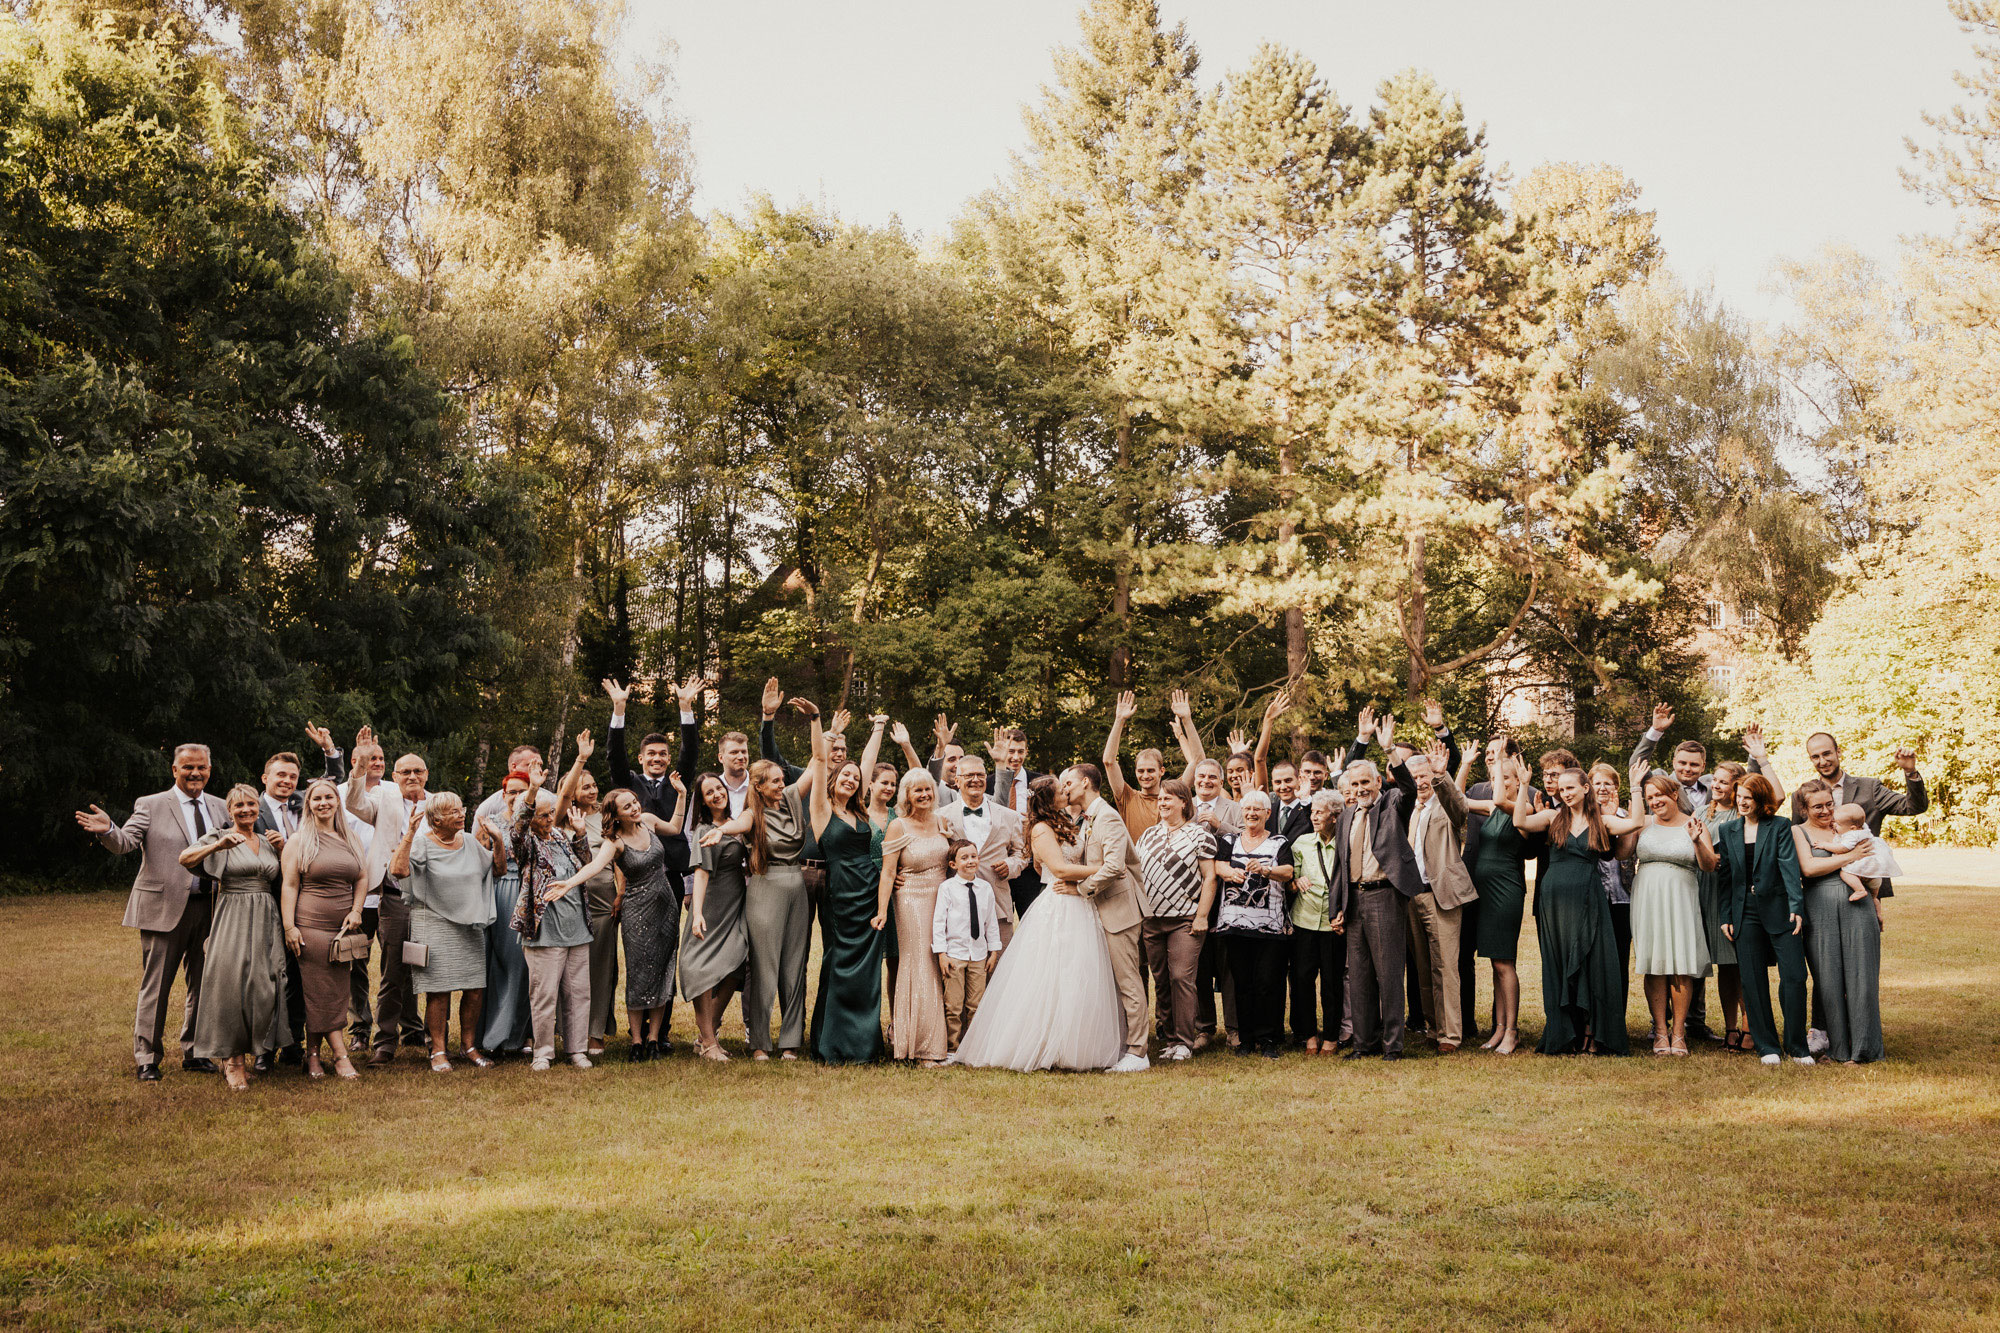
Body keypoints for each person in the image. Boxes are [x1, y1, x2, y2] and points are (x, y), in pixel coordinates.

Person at [77, 743, 229, 1081]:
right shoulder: (151, 804)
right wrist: (109, 830)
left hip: (211, 908)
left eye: (201, 767)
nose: (195, 773)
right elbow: (126, 842)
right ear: (174, 770)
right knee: (156, 986)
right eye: (188, 767)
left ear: (209, 770)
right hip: (164, 909)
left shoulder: (221, 807)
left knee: (203, 985)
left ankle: (196, 1051)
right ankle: (147, 1057)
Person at [951, 775, 1123, 1071]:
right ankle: (1042, 1044)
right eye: (1061, 790)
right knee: (1051, 974)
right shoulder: (1042, 829)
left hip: (1079, 903)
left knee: (1077, 973)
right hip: (1059, 905)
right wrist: (1106, 868)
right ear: (1049, 798)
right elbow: (1058, 867)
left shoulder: (1066, 823)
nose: (1066, 791)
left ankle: (1072, 1044)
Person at [1511, 758, 1641, 1056]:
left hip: (1588, 896)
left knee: (1594, 963)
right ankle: (1566, 1033)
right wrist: (1521, 787)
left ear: (1585, 788)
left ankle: (1594, 1032)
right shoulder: (1551, 817)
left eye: (1571, 787)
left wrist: (1635, 788)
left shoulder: (1601, 821)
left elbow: (1634, 823)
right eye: (1562, 788)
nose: (1565, 792)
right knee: (1559, 961)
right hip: (1553, 899)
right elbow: (1520, 822)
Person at [1330, 714, 1424, 1061]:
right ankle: (1363, 1044)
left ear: (1378, 782)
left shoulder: (1392, 805)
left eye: (1366, 783)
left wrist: (1388, 749)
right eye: (1354, 785)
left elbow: (1410, 788)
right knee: (1359, 977)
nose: (1360, 790)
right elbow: (1339, 868)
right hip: (1354, 900)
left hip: (1384, 897)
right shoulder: (1345, 817)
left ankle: (1393, 1045)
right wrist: (1336, 908)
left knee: (1388, 975)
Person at [388, 791, 504, 1072]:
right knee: (438, 991)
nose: (460, 813)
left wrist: (498, 840)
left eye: (460, 808)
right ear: (436, 820)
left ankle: (469, 1046)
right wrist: (410, 835)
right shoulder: (422, 844)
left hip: (469, 924)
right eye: (453, 811)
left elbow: (498, 869)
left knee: (475, 989)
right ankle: (438, 1051)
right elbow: (398, 871)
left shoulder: (468, 841)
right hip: (435, 923)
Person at [179, 784, 285, 1091]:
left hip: (266, 915)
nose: (246, 810)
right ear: (230, 811)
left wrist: (282, 848)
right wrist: (217, 847)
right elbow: (185, 858)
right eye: (239, 806)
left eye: (251, 804)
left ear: (258, 807)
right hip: (233, 915)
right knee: (232, 986)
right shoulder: (220, 835)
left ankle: (254, 1053)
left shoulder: (266, 841)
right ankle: (233, 1062)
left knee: (263, 985)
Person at [342, 731, 434, 1065]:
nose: (412, 776)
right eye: (404, 772)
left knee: (434, 969)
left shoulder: (438, 803)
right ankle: (385, 1042)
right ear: (394, 777)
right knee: (393, 970)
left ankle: (434, 1039)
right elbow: (353, 802)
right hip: (395, 898)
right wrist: (363, 759)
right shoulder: (383, 800)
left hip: (434, 901)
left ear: (426, 775)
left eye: (418, 771)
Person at [728, 734, 821, 1060]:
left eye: (783, 780)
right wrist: (720, 831)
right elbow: (738, 824)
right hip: (765, 890)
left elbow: (817, 762)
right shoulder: (753, 814)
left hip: (796, 888)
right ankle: (760, 1044)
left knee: (795, 966)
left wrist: (820, 725)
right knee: (764, 966)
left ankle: (791, 1042)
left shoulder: (794, 799)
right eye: (776, 782)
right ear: (759, 786)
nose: (783, 785)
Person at [807, 702, 888, 1063]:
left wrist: (878, 728)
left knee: (869, 970)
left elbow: (866, 765)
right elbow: (822, 760)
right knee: (838, 962)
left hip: (871, 892)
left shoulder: (861, 811)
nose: (852, 779)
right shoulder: (822, 811)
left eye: (855, 777)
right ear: (834, 781)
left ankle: (864, 1045)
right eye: (846, 776)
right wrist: (818, 722)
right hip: (840, 892)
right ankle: (832, 1043)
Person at [1716, 773, 1812, 1066]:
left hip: (1781, 909)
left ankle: (1797, 1046)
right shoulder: (1728, 829)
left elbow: (1788, 866)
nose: (1742, 802)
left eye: (1749, 797)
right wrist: (1725, 915)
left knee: (1795, 976)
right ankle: (1767, 1046)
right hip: (1744, 912)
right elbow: (1727, 877)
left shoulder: (1780, 826)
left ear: (1761, 800)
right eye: (1739, 796)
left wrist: (1796, 905)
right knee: (1753, 981)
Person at [280, 778, 370, 1079]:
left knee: (336, 991)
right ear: (309, 804)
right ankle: (341, 1055)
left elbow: (361, 877)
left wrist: (357, 910)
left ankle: (314, 1055)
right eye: (316, 798)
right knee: (319, 991)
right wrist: (290, 927)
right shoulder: (298, 840)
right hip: (311, 926)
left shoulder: (350, 838)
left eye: (329, 798)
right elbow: (290, 886)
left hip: (343, 929)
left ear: (337, 802)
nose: (323, 803)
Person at [508, 770, 597, 1072]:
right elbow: (518, 826)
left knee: (578, 993)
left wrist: (581, 833)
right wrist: (533, 790)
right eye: (542, 815)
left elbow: (585, 865)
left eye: (550, 814)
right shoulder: (526, 844)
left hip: (576, 927)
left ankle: (577, 1050)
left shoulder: (559, 836)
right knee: (544, 995)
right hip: (544, 930)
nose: (548, 820)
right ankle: (543, 1052)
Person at [1067, 763, 1153, 1072]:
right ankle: (1120, 1043)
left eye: (1069, 783)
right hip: (1101, 909)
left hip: (1120, 910)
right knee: (1112, 982)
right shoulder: (1089, 818)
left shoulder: (1109, 817)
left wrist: (1081, 889)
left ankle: (1139, 1051)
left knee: (1129, 981)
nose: (1065, 789)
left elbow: (1116, 866)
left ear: (1087, 783)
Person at [1792, 781, 1885, 1064]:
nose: (1826, 811)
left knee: (1862, 978)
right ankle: (1837, 1049)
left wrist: (1877, 900)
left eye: (1829, 804)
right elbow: (1808, 868)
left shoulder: (1849, 827)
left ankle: (1864, 1049)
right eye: (1817, 806)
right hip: (1819, 907)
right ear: (1804, 808)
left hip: (1858, 906)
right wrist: (1851, 856)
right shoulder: (1798, 831)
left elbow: (1874, 864)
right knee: (1828, 980)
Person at [1629, 773, 1717, 1056]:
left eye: (1659, 796)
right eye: (1650, 797)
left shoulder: (1695, 825)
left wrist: (1697, 841)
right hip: (1648, 897)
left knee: (1680, 964)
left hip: (1682, 896)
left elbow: (1708, 865)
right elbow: (1620, 854)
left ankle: (1679, 1033)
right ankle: (1660, 1031)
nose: (1655, 802)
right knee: (1654, 962)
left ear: (1674, 795)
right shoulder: (1642, 823)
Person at [1461, 739, 1537, 1055]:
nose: (1500, 783)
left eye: (1508, 778)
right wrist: (1464, 764)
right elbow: (1457, 799)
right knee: (1495, 962)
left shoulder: (1524, 808)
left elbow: (1505, 803)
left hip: (1506, 891)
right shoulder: (1491, 806)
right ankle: (1500, 1028)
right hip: (1484, 892)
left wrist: (1514, 781)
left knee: (1505, 962)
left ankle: (1513, 1031)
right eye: (1496, 778)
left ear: (1519, 782)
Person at [1135, 779, 1217, 1062]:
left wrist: (1202, 916)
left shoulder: (1200, 835)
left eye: (1169, 798)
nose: (1162, 802)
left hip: (1185, 919)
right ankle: (1169, 1038)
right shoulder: (1147, 835)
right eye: (1160, 798)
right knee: (1161, 980)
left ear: (1184, 802)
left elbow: (1210, 877)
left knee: (1181, 977)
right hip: (1151, 919)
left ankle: (1184, 1040)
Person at [875, 768, 953, 1065]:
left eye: (928, 789)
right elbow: (888, 871)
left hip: (943, 901)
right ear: (906, 795)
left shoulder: (943, 823)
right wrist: (882, 911)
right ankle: (921, 1047)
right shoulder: (899, 827)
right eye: (917, 790)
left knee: (940, 963)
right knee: (921, 966)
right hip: (910, 901)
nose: (924, 795)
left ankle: (945, 1039)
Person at [1404, 738, 1475, 1054]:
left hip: (1441, 894)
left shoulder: (1445, 807)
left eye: (1424, 776)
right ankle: (1433, 1028)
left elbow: (1461, 809)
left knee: (1445, 967)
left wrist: (1441, 775)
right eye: (1415, 777)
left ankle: (1451, 1035)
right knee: (1422, 967)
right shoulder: (1408, 809)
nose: (1420, 782)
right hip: (1412, 897)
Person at [1212, 790, 1294, 1058]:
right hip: (1234, 926)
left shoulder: (1279, 843)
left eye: (1257, 810)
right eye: (1247, 809)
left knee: (1267, 982)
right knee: (1242, 983)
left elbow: (1288, 872)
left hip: (1270, 927)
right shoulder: (1229, 839)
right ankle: (1246, 1040)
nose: (1251, 814)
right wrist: (1230, 872)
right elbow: (1218, 866)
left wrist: (1266, 870)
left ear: (1268, 814)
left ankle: (1269, 1039)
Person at [683, 773, 751, 1061]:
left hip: (735, 905)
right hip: (711, 906)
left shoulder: (736, 825)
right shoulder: (703, 830)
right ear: (702, 800)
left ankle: (705, 1034)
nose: (716, 794)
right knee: (703, 971)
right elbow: (701, 873)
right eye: (708, 792)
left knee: (736, 966)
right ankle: (710, 1043)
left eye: (718, 788)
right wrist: (697, 913)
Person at [559, 742, 620, 1057]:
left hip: (601, 900)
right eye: (585, 786)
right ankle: (566, 1028)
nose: (593, 790)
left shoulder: (606, 818)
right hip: (566, 903)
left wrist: (620, 892)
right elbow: (564, 796)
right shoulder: (559, 817)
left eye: (595, 785)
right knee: (566, 968)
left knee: (599, 966)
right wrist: (580, 759)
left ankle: (594, 1032)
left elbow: (618, 857)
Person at [475, 771, 536, 1057]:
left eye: (521, 790)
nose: (515, 796)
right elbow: (478, 860)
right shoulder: (490, 822)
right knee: (497, 962)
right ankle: (492, 1035)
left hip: (528, 892)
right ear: (503, 794)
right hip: (499, 892)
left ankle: (518, 1034)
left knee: (522, 966)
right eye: (511, 791)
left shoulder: (535, 822)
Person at [938, 754, 1028, 946]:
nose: (976, 780)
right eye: (969, 775)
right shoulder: (942, 817)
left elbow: (1021, 854)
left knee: (999, 968)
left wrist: (1010, 865)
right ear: (957, 780)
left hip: (998, 905)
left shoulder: (1009, 816)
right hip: (957, 906)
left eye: (980, 775)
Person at [1286, 790, 1346, 1054]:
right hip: (1304, 922)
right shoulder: (1301, 843)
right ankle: (1309, 1035)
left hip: (1333, 925)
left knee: (1332, 984)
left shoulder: (1346, 843)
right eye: (1312, 812)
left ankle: (1331, 1037)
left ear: (1335, 816)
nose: (1314, 817)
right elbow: (1289, 881)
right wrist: (1294, 882)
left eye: (1319, 812)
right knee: (1302, 981)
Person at [1700, 762, 1752, 1053]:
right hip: (1704, 891)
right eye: (1714, 781)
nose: (1716, 786)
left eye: (1723, 782)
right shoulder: (1700, 812)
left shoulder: (1742, 813)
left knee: (1740, 962)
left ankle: (1750, 1027)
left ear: (1737, 786)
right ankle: (1730, 1028)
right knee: (1723, 966)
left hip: (1730, 889)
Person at [933, 839, 1002, 1052]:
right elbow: (938, 922)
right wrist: (942, 953)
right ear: (953, 864)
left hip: (979, 955)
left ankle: (973, 1047)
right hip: (955, 955)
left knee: (976, 1003)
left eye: (973, 856)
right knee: (953, 1005)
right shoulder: (947, 888)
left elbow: (990, 921)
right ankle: (953, 1046)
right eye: (964, 858)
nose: (970, 861)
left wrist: (994, 950)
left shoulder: (985, 889)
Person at [1589, 762, 1640, 986]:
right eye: (1597, 783)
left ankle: (1617, 1015)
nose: (1602, 788)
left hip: (1623, 897)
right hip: (1594, 896)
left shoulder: (1628, 817)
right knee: (1594, 958)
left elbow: (1624, 853)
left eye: (1607, 783)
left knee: (1620, 956)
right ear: (1588, 787)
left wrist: (1617, 820)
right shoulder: (1583, 817)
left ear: (1616, 787)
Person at [1102, 689, 1166, 842]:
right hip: (1135, 865)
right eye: (1141, 771)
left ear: (1161, 771)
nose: (1145, 776)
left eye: (1150, 770)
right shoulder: (1128, 797)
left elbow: (1197, 763)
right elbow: (1108, 761)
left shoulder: (1172, 797)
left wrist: (1186, 720)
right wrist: (1119, 720)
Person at [1834, 802, 1903, 908]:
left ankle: (1859, 890)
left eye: (1837, 824)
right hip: (1874, 875)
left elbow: (1842, 848)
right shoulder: (1864, 829)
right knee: (1873, 896)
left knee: (1844, 873)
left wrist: (1825, 845)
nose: (1834, 825)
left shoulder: (1852, 835)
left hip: (1860, 870)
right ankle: (1875, 901)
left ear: (1852, 828)